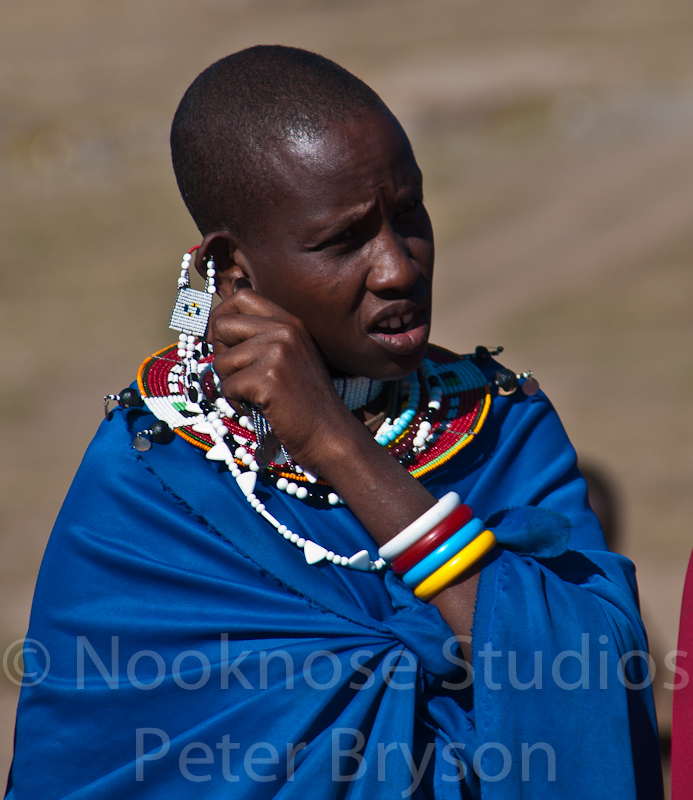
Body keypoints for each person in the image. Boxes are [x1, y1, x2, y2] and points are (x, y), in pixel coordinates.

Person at [6, 45, 663, 798]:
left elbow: (584, 683)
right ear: (232, 267)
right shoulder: (153, 474)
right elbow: (98, 761)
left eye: (408, 212)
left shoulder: (502, 429)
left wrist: (335, 441)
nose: (397, 267)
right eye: (343, 240)